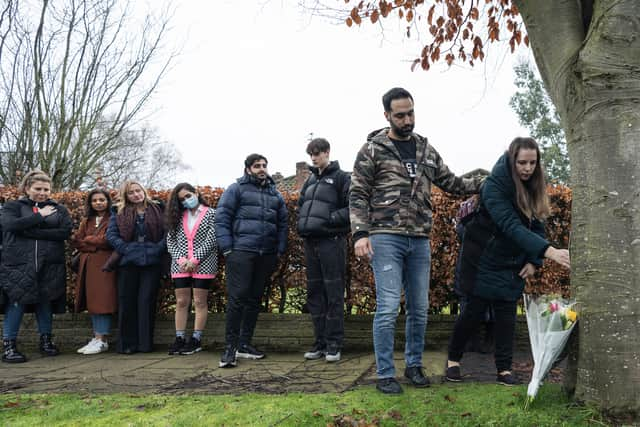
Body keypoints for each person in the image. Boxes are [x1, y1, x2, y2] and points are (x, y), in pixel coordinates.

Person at [349, 87, 486, 394]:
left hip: (419, 239)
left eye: (410, 112)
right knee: (386, 308)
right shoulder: (372, 149)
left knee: (419, 308)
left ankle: (414, 366)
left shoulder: (425, 148)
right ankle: (385, 373)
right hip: (385, 238)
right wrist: (360, 233)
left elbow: (451, 182)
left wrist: (487, 182)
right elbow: (357, 192)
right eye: (400, 115)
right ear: (387, 116)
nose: (407, 119)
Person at [445, 137, 571, 386]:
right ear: (512, 160)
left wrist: (535, 260)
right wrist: (549, 252)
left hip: (509, 261)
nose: (527, 168)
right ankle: (453, 360)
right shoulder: (493, 186)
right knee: (472, 312)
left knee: (506, 316)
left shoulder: (533, 186)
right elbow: (510, 226)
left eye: (532, 163)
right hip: (480, 258)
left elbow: (536, 226)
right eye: (522, 162)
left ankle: (504, 369)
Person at [215, 153, 288, 368]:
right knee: (237, 299)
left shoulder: (275, 194)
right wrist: (228, 249)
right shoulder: (235, 189)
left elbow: (283, 223)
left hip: (265, 254)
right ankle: (230, 348)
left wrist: (279, 250)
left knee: (254, 300)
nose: (262, 169)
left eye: (264, 165)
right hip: (241, 252)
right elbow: (222, 218)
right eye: (257, 166)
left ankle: (244, 344)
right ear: (248, 169)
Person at [0, 170, 72, 363]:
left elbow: (64, 232)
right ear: (27, 188)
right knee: (16, 303)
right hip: (18, 265)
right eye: (38, 188)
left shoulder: (59, 209)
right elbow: (10, 226)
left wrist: (31, 232)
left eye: (46, 189)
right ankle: (9, 345)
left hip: (50, 265)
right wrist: (39, 216)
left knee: (45, 302)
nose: (42, 193)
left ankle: (46, 341)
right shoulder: (12, 207)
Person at [297, 138, 350, 362]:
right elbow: (302, 206)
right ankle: (319, 341)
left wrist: (329, 219)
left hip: (332, 242)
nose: (314, 158)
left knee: (334, 293)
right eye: (311, 154)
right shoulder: (309, 180)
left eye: (317, 153)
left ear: (327, 152)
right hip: (311, 242)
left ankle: (334, 343)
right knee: (315, 294)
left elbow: (352, 207)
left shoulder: (342, 178)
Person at [106, 180, 166, 354]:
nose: (136, 195)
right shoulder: (118, 211)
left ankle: (145, 345)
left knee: (146, 301)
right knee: (127, 301)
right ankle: (127, 344)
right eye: (131, 193)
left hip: (152, 261)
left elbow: (167, 232)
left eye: (138, 191)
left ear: (143, 191)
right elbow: (111, 235)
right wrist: (126, 249)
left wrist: (157, 249)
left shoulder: (158, 208)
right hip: (128, 261)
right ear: (126, 196)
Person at [166, 183, 217, 355]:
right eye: (182, 199)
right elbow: (170, 241)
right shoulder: (177, 216)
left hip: (204, 264)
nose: (186, 200)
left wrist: (195, 260)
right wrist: (182, 260)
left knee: (200, 301)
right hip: (180, 264)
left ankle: (196, 339)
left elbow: (212, 239)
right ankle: (179, 338)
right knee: (181, 302)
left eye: (188, 196)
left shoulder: (211, 214)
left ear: (196, 193)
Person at [72, 189, 118, 355]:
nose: (98, 203)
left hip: (105, 265)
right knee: (92, 301)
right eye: (95, 200)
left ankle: (102, 339)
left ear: (108, 201)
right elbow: (77, 240)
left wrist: (89, 240)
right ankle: (96, 337)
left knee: (103, 301)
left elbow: (108, 241)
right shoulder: (87, 220)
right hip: (88, 266)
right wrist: (93, 243)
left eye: (102, 199)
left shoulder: (114, 218)